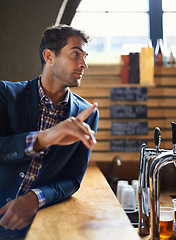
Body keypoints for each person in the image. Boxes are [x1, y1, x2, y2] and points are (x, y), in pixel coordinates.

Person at [0, 25, 99, 239]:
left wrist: (35, 198)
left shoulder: (87, 114)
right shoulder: (6, 94)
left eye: (85, 56)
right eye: (76, 54)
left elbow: (72, 180)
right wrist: (44, 138)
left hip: (38, 227)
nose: (84, 64)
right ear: (49, 56)